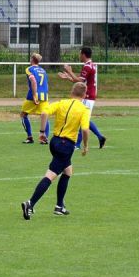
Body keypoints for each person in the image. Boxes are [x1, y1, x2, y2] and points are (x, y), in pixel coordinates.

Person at [20, 82, 91, 220]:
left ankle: (59, 206)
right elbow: (85, 129)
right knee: (51, 175)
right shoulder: (84, 109)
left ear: (71, 92)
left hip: (55, 142)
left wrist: (42, 132)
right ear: (84, 95)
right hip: (66, 145)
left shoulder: (61, 103)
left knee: (68, 171)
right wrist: (85, 145)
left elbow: (45, 112)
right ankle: (30, 203)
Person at [58, 47, 106, 149]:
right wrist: (67, 77)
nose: (79, 56)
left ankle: (78, 144)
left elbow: (78, 81)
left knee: (81, 118)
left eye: (80, 54)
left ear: (84, 54)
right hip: (89, 96)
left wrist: (69, 71)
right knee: (85, 118)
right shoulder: (90, 65)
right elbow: (80, 81)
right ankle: (100, 136)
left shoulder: (87, 67)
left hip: (87, 96)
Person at [20, 53, 50, 145]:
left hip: (34, 95)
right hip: (44, 96)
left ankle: (30, 137)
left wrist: (34, 95)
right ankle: (44, 138)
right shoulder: (43, 70)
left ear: (32, 59)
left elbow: (33, 81)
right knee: (44, 115)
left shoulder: (29, 69)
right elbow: (46, 83)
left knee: (23, 114)